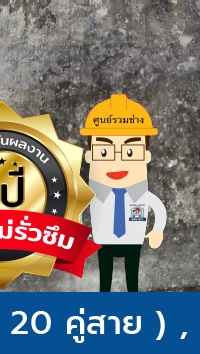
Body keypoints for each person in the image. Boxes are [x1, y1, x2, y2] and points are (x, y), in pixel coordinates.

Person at [81, 94, 167, 292]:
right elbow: (78, 208)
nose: (117, 161)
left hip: (133, 240)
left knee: (132, 275)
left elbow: (158, 209)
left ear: (146, 156)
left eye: (130, 152)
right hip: (103, 240)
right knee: (105, 276)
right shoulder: (93, 194)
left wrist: (157, 230)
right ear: (90, 156)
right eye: (105, 152)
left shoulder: (142, 195)